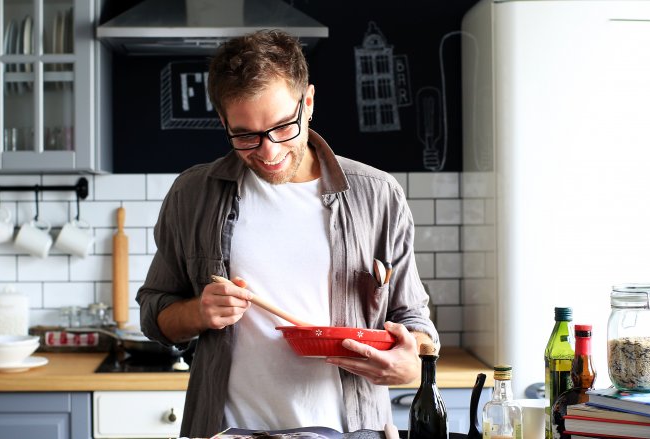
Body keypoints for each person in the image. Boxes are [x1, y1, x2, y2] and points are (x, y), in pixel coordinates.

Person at [136, 29, 439, 438]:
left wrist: (412, 363)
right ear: (223, 121)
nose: (269, 151)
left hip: (351, 430)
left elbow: (416, 324)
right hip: (228, 430)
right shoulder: (193, 194)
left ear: (307, 103)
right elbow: (155, 315)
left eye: (282, 127)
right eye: (245, 135)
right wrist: (198, 312)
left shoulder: (377, 195)